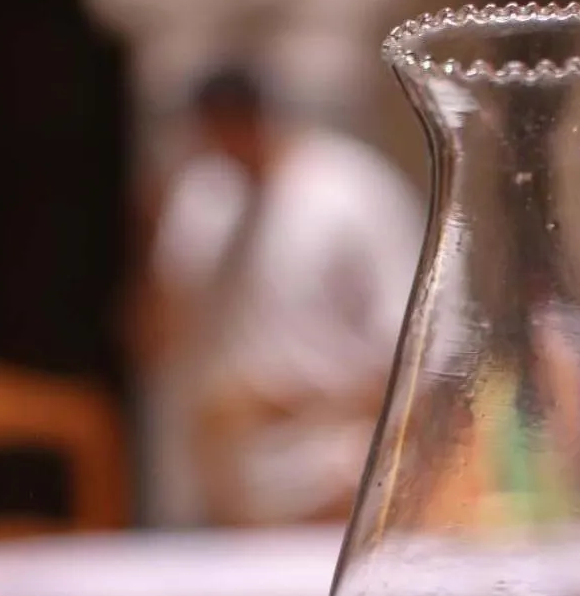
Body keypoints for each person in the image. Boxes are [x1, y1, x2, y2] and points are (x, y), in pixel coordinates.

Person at [136, 66, 423, 527]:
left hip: (337, 477)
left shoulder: (353, 191)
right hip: (231, 487)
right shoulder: (201, 195)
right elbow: (156, 339)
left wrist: (282, 404)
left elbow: (415, 356)